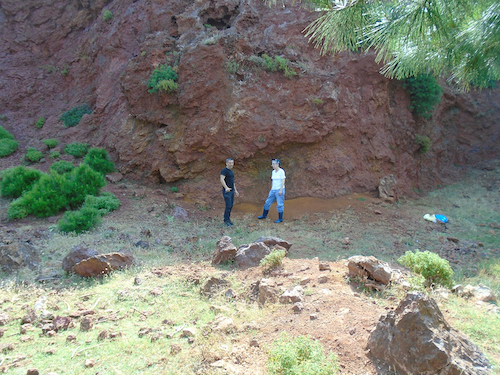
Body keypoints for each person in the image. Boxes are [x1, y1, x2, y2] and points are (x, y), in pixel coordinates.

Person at [257, 159, 286, 223]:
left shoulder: (281, 171)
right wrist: (272, 189)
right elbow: (273, 181)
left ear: (277, 164)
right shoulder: (273, 172)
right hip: (273, 190)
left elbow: (283, 180)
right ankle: (264, 215)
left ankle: (280, 219)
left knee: (280, 204)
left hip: (279, 189)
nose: (272, 165)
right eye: (272, 164)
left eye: (273, 164)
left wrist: (281, 190)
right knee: (267, 202)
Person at [220, 158, 239, 227]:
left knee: (230, 206)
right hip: (227, 191)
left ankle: (228, 220)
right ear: (226, 163)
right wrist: (226, 188)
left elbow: (232, 182)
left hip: (232, 191)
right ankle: (226, 221)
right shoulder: (224, 170)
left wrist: (235, 190)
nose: (231, 164)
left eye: (232, 163)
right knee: (228, 206)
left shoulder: (231, 171)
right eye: (230, 163)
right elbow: (221, 179)